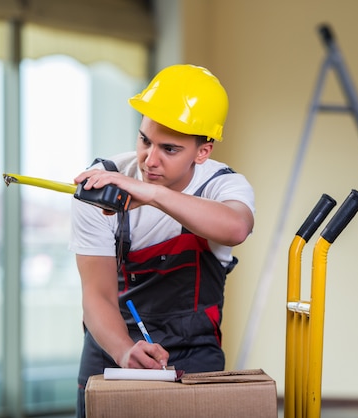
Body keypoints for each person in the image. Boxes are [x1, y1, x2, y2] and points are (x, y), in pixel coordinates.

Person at [69, 64, 255, 417]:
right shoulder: (101, 185)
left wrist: (153, 195)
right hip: (111, 348)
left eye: (169, 149)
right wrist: (125, 351)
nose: (149, 160)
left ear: (203, 152)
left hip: (194, 355)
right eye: (144, 140)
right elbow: (97, 295)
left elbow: (236, 228)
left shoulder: (222, 185)